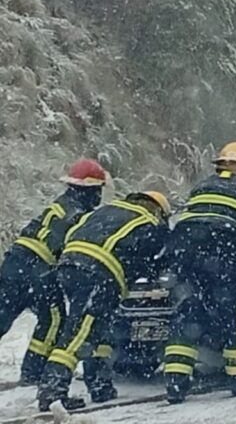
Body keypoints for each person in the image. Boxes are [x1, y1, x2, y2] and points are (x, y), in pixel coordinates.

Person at [37, 191, 172, 411]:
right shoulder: (150, 222)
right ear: (159, 210)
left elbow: (71, 230)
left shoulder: (105, 211)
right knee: (79, 333)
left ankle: (100, 385)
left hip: (70, 265)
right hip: (99, 274)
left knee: (100, 330)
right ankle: (52, 392)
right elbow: (158, 262)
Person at [163, 141, 236, 404]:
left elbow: (189, 221)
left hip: (187, 256)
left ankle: (176, 382)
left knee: (188, 311)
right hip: (224, 254)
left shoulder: (201, 187)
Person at [0, 158, 106, 385]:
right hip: (39, 268)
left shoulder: (60, 205)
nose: (99, 196)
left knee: (4, 312)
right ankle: (33, 372)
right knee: (53, 319)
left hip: (14, 261)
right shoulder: (80, 215)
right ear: (90, 190)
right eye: (98, 190)